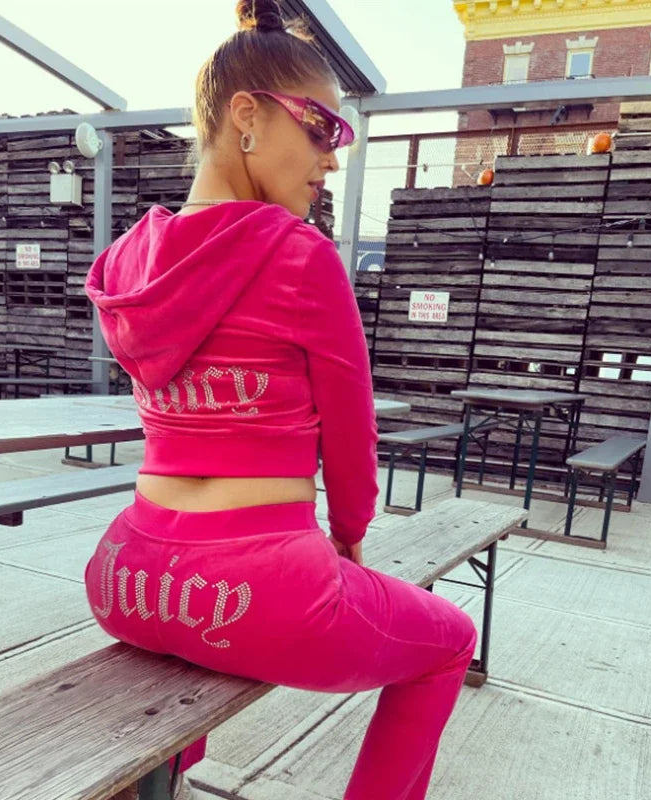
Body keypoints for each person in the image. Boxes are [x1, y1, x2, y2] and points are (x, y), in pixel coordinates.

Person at [84, 2, 477, 798]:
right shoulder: (300, 257)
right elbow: (351, 435)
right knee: (449, 641)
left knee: (206, 643)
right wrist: (350, 537)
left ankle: (170, 775)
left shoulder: (125, 260)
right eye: (323, 127)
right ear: (247, 115)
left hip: (124, 579)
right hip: (263, 591)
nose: (334, 155)